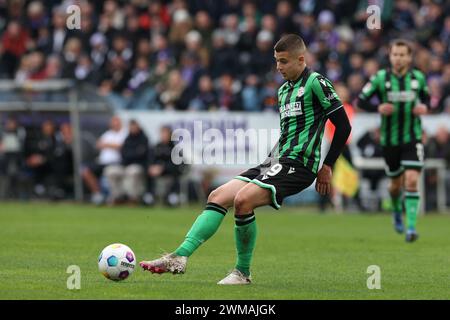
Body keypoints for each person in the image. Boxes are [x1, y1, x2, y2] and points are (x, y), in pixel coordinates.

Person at [139, 34, 351, 285]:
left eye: (283, 62)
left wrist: (327, 166)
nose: (278, 67)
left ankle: (242, 272)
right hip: (276, 161)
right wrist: (268, 162)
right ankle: (179, 257)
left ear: (301, 59)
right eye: (276, 61)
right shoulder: (283, 91)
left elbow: (343, 125)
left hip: (300, 165)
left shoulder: (317, 83)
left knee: (243, 201)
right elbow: (287, 133)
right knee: (217, 196)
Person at [357, 39, 430, 242]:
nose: (398, 58)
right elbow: (361, 100)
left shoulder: (418, 78)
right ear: (390, 57)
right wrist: (377, 108)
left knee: (412, 180)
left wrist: (424, 107)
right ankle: (397, 211)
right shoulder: (381, 78)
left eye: (402, 55)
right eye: (394, 54)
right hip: (389, 141)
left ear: (409, 57)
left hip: (412, 138)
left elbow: (427, 99)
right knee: (395, 186)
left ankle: (412, 227)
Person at [81, 116, 127, 205]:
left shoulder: (124, 133)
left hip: (116, 162)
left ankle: (114, 197)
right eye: (113, 122)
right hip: (102, 162)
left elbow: (123, 147)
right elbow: (98, 144)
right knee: (85, 170)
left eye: (116, 121)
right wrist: (110, 145)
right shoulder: (108, 134)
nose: (114, 124)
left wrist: (107, 145)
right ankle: (98, 194)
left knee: (110, 172)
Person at [104, 119, 150, 204]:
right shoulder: (127, 139)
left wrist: (131, 155)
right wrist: (133, 154)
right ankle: (118, 197)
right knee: (110, 171)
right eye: (131, 127)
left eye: (134, 126)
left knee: (132, 171)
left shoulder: (143, 139)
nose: (132, 128)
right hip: (125, 165)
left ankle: (133, 198)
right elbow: (124, 154)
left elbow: (141, 155)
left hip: (139, 165)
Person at [142, 125, 184, 207]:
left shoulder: (175, 149)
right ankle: (149, 195)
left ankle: (172, 196)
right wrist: (151, 168)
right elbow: (150, 160)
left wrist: (162, 168)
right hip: (156, 173)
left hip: (170, 173)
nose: (163, 135)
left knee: (176, 175)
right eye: (162, 133)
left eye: (166, 133)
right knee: (148, 173)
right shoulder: (156, 147)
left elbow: (177, 164)